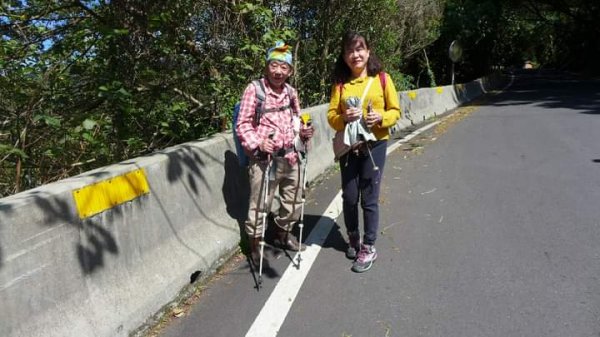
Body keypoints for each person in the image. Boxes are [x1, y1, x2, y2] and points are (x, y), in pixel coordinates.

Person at [327, 31, 401, 273]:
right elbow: (331, 116)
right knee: (349, 197)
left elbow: (395, 111)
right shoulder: (340, 84)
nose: (355, 54)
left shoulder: (382, 78)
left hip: (374, 145)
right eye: (350, 50)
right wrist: (343, 118)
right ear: (344, 56)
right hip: (350, 147)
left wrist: (380, 117)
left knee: (369, 197)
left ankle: (369, 246)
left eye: (360, 49)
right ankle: (353, 236)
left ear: (368, 52)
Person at [236, 41, 314, 267]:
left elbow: (297, 120)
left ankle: (281, 234)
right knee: (260, 205)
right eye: (274, 65)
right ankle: (255, 245)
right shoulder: (255, 90)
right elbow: (242, 124)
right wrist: (259, 143)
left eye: (284, 67)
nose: (279, 71)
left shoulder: (291, 92)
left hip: (291, 156)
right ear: (266, 67)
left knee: (294, 201)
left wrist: (305, 132)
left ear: (290, 71)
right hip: (264, 161)